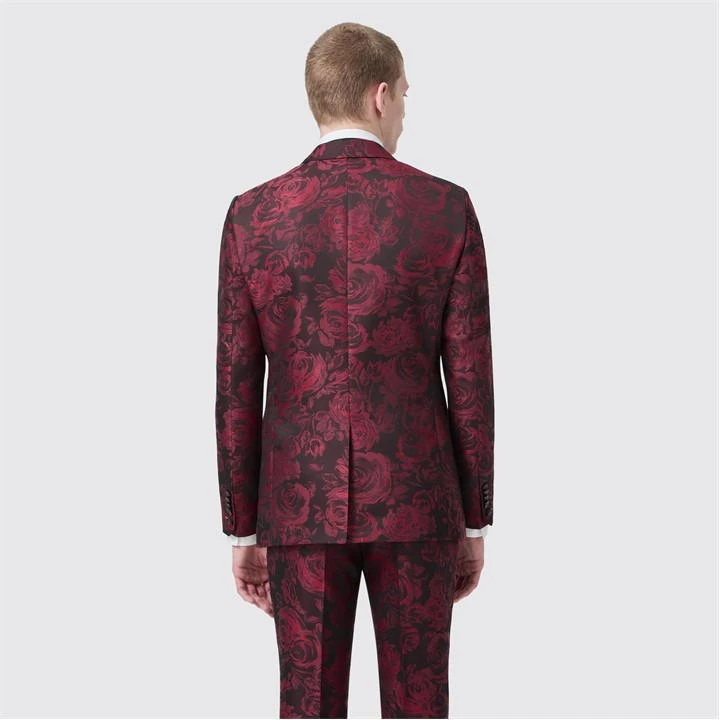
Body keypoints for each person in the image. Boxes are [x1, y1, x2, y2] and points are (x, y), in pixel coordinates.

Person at [214, 21, 494, 719]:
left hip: (296, 504)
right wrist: (474, 519)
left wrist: (242, 528)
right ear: (379, 95)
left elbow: (235, 390)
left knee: (307, 708)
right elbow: (471, 381)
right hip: (419, 500)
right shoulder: (445, 208)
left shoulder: (253, 216)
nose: (403, 112)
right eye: (405, 96)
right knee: (419, 706)